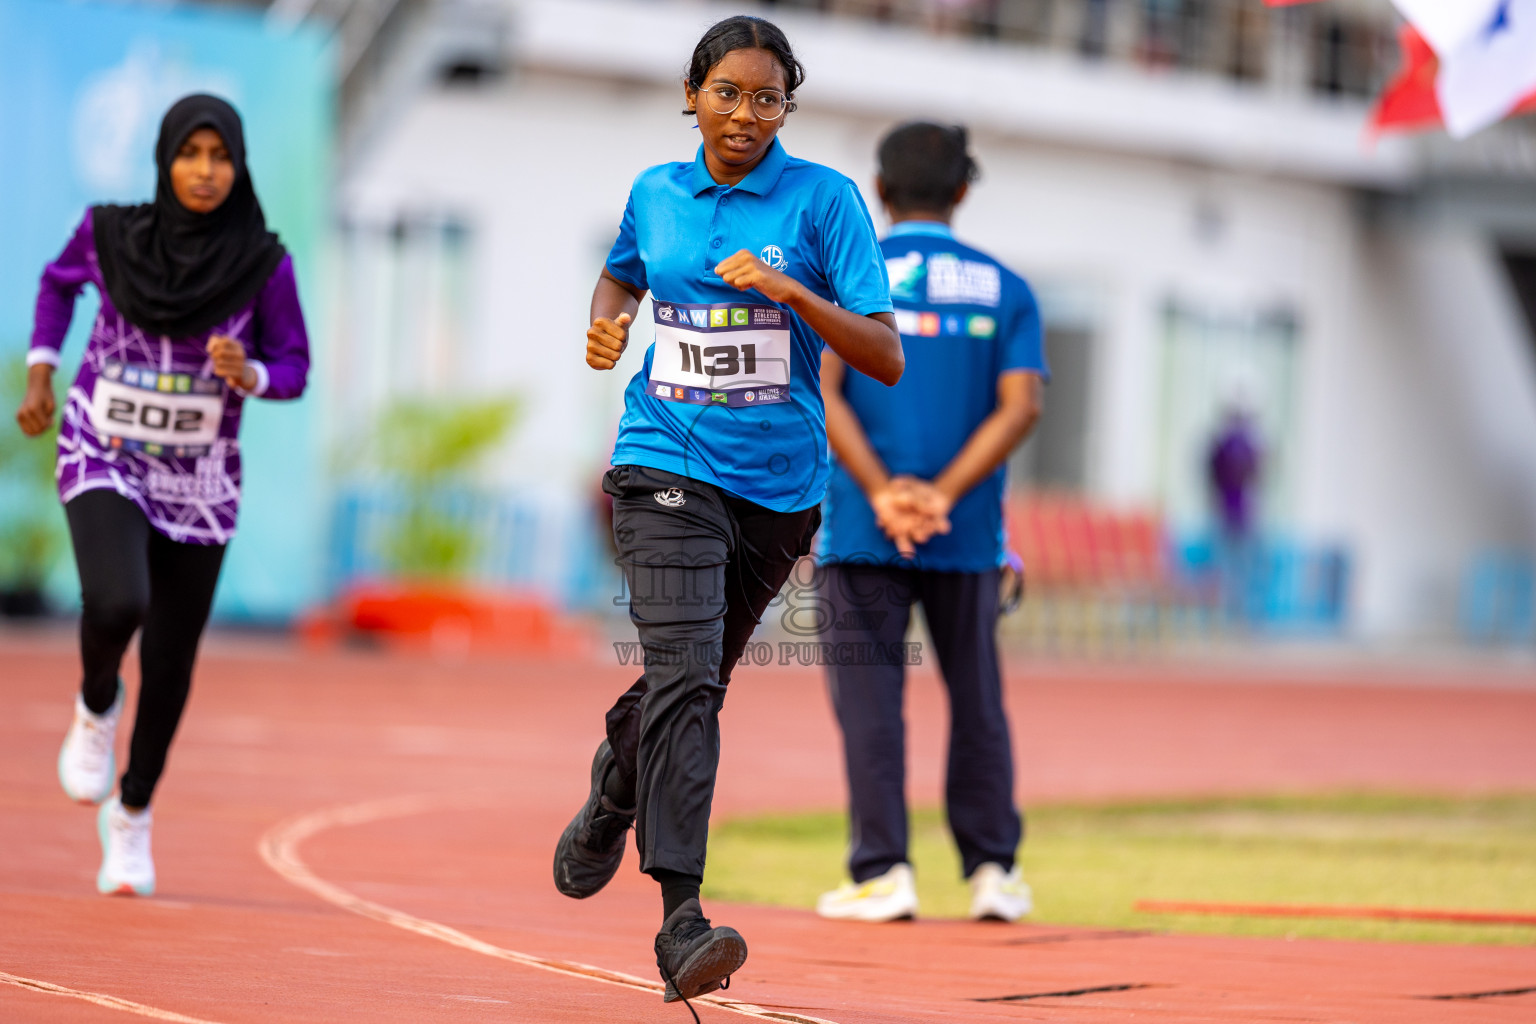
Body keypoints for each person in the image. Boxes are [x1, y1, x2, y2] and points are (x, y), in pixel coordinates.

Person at [551, 15, 901, 1008]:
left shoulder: (826, 202)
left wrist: (793, 290)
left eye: (766, 98)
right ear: (694, 94)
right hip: (661, 456)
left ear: (787, 107)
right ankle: (682, 920)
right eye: (727, 94)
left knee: (690, 680)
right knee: (688, 679)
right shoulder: (656, 192)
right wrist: (607, 323)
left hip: (780, 490)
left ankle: (614, 788)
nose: (745, 114)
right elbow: (624, 269)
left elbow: (883, 353)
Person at [14, 95, 310, 896]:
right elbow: (56, 284)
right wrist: (43, 368)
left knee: (173, 660)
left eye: (220, 157)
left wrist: (248, 372)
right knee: (116, 603)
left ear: (238, 166)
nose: (205, 171)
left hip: (201, 476)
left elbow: (293, 365)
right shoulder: (110, 233)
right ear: (166, 159)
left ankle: (133, 814)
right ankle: (94, 702)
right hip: (102, 444)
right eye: (191, 154)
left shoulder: (263, 263)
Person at [814, 122, 1046, 923]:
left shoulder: (851, 277)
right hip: (968, 531)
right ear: (961, 192)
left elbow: (826, 393)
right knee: (977, 697)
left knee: (870, 703)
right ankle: (992, 872)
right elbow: (1023, 407)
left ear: (879, 191)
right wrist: (943, 494)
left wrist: (884, 492)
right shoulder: (1007, 289)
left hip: (861, 529)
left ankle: (883, 872)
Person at [1207, 404, 1263, 625]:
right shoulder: (1241, 443)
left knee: (1239, 568)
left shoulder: (1236, 442)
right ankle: (1233, 616)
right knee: (1234, 567)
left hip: (1238, 512)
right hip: (1233, 511)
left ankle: (1237, 616)